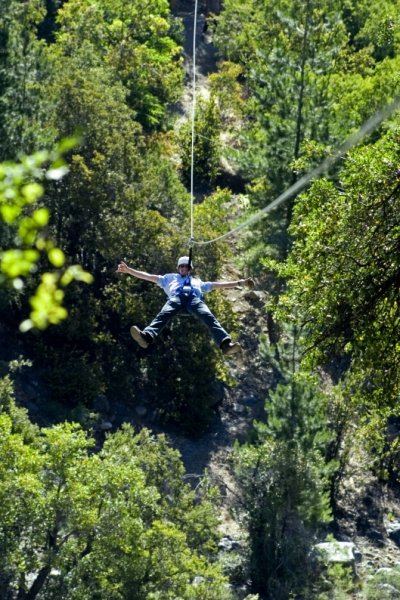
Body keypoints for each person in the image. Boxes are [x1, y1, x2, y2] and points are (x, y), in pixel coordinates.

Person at [116, 256, 254, 355]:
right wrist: (129, 270)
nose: (183, 268)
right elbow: (147, 276)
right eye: (181, 266)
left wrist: (239, 283)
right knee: (163, 315)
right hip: (176, 299)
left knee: (209, 317)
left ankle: (225, 345)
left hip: (194, 300)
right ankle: (146, 337)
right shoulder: (168, 278)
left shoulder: (198, 281)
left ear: (190, 269)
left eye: (186, 266)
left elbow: (218, 285)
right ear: (178, 268)